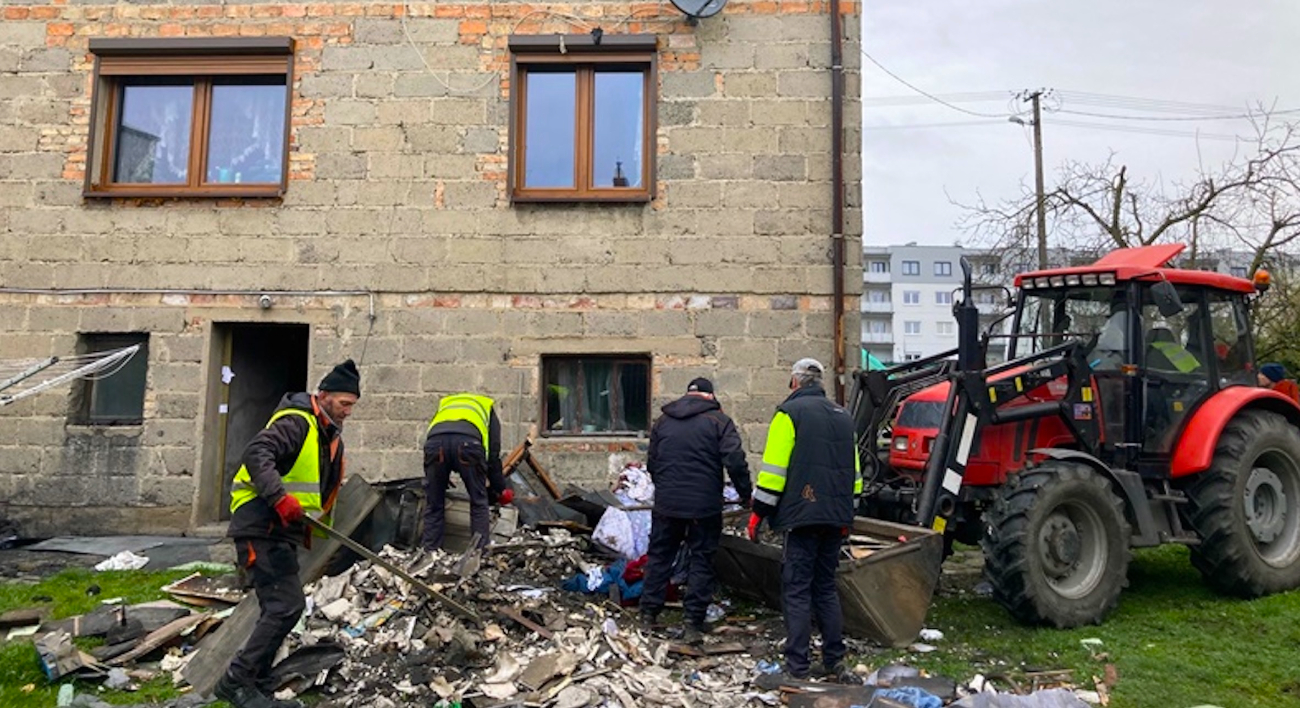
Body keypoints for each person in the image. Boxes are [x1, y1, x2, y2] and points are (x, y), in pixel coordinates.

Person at [216, 360, 361, 708]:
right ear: (323, 396)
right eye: (344, 404)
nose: (348, 412)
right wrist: (280, 497)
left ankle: (257, 682)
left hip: (280, 529)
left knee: (278, 606)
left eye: (352, 405)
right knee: (286, 606)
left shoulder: (325, 434)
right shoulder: (297, 422)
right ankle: (235, 681)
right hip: (261, 523)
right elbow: (256, 453)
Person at [749, 358, 862, 682]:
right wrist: (846, 511)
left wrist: (759, 513)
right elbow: (854, 476)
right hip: (835, 517)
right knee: (825, 587)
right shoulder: (844, 418)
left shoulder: (789, 414)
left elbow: (773, 473)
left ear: (795, 382)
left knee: (797, 589)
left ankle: (797, 665)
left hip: (801, 516)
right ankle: (834, 660)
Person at [639, 377, 753, 642]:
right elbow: (735, 460)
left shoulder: (664, 421)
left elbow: (653, 463)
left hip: (667, 504)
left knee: (660, 557)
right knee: (701, 560)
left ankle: (648, 614)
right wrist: (746, 494)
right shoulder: (718, 421)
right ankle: (692, 622)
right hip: (704, 507)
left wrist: (665, 488)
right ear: (710, 397)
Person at [423, 392, 513, 550]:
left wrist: (440, 474)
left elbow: (441, 438)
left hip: (435, 445)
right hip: (468, 444)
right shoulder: (487, 407)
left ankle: (429, 553)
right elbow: (493, 455)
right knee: (478, 502)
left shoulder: (446, 404)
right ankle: (479, 554)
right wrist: (499, 488)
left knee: (434, 503)